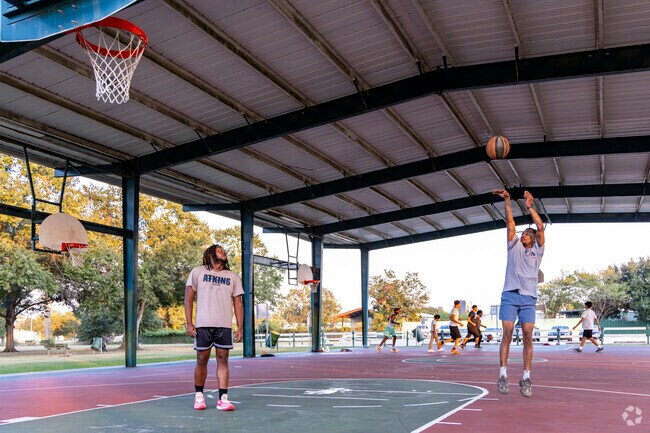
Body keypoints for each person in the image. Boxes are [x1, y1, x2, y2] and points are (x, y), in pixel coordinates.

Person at [493, 189, 545, 398]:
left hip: (528, 298)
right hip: (510, 295)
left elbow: (540, 227)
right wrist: (508, 201)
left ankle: (526, 377)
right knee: (507, 334)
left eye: (526, 234)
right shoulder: (513, 245)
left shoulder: (537, 250)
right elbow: (510, 224)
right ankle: (503, 374)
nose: (522, 235)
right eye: (522, 234)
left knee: (527, 337)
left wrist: (530, 206)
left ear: (532, 238)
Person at [185, 244, 244, 411]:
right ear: (210, 253)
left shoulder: (232, 276)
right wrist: (189, 323)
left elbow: (238, 304)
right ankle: (198, 396)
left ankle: (223, 398)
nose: (223, 251)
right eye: (219, 249)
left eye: (224, 250)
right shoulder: (198, 272)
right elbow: (188, 298)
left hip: (224, 325)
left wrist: (240, 327)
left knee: (223, 360)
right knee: (201, 360)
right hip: (203, 324)